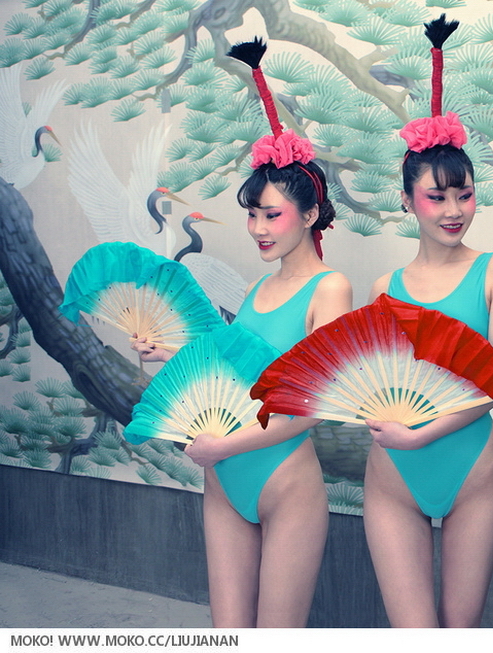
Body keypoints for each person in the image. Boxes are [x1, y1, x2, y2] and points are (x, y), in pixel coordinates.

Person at [133, 40, 353, 627]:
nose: (257, 227)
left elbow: (314, 406)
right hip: (223, 480)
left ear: (310, 215)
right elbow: (241, 372)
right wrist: (170, 352)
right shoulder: (257, 290)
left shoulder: (330, 288)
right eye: (252, 214)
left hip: (282, 481)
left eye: (271, 215)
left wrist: (222, 448)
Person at [361, 15, 493, 627]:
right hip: (392, 477)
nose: (454, 210)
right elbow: (377, 385)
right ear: (408, 201)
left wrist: (421, 433)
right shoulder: (385, 289)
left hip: (471, 469)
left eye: (465, 194)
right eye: (437, 197)